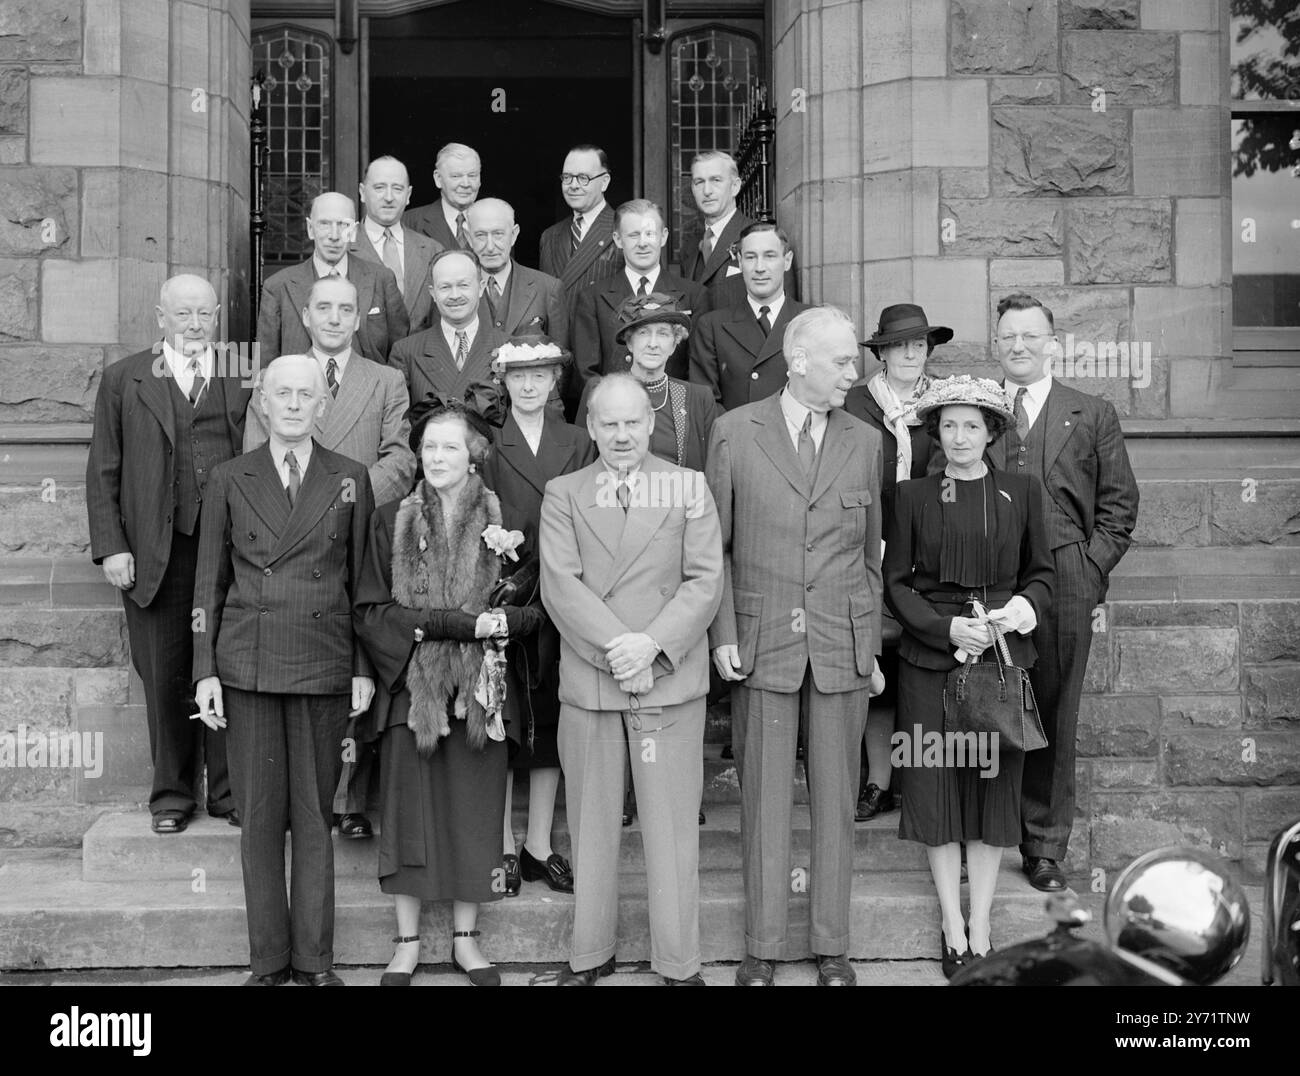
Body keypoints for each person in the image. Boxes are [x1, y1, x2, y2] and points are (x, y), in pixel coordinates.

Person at [707, 305, 884, 988]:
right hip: (761, 640)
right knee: (764, 798)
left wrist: (867, 647)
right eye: (844, 360)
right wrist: (724, 632)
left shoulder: (866, 441)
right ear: (800, 359)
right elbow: (714, 548)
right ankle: (762, 946)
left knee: (836, 800)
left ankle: (832, 945)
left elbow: (870, 557)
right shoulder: (734, 432)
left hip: (841, 640)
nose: (856, 372)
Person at [191, 354, 375, 987]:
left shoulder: (351, 478)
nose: (294, 404)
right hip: (249, 667)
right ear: (262, 403)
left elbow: (361, 585)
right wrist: (203, 670)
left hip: (323, 666)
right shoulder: (228, 476)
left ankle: (315, 963)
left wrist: (360, 666)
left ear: (323, 405)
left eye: (307, 394)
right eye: (282, 393)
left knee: (315, 820)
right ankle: (268, 962)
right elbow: (206, 585)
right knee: (261, 822)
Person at [354, 391, 545, 987]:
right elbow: (370, 610)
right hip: (412, 686)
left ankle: (466, 940)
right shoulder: (389, 519)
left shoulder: (507, 520)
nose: (436, 457)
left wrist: (501, 623)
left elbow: (537, 608)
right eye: (428, 446)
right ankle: (406, 943)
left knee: (474, 809)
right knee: (409, 810)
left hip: (483, 689)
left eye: (449, 447)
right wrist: (448, 626)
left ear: (474, 455)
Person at [539, 374, 724, 986]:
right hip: (594, 680)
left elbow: (704, 580)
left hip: (666, 678)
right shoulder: (563, 493)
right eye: (608, 423)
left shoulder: (688, 485)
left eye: (632, 422)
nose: (621, 435)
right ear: (591, 427)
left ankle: (679, 963)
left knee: (671, 830)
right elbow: (560, 586)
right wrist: (620, 649)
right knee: (591, 826)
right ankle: (590, 955)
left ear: (651, 424)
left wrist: (653, 646)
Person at [883, 375, 1054, 978]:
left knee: (989, 787)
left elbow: (1042, 574)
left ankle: (982, 923)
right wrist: (944, 629)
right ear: (936, 434)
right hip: (931, 664)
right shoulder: (911, 496)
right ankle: (951, 926)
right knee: (934, 788)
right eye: (949, 426)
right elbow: (896, 583)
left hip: (1001, 662)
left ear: (992, 434)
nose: (959, 437)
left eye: (972, 426)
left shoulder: (1021, 492)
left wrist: (1016, 613)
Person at [244, 275, 415, 839]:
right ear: (307, 315)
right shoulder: (278, 380)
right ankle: (303, 802)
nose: (336, 318)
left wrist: (349, 496)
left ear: (361, 317)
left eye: (347, 309)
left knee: (360, 652)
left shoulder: (387, 379)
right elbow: (254, 458)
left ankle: (354, 801)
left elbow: (399, 455)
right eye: (325, 308)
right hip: (289, 541)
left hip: (363, 530)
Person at [86, 274, 251, 835]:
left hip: (226, 549)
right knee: (164, 671)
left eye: (204, 314)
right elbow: (104, 468)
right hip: (155, 550)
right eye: (182, 314)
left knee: (227, 664)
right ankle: (172, 795)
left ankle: (229, 793)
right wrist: (112, 546)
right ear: (161, 316)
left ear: (217, 317)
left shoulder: (240, 372)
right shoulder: (122, 378)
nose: (194, 324)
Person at [990, 293, 1138, 892]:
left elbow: (1119, 507)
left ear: (1052, 343)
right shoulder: (979, 411)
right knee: (991, 706)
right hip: (994, 583)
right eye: (1007, 337)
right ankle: (987, 831)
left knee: (1054, 712)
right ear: (996, 345)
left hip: (1069, 580)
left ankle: (1045, 846)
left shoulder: (1092, 412)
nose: (1018, 346)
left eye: (1029, 336)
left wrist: (1090, 570)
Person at [482, 337, 597, 897]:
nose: (529, 385)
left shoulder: (577, 440)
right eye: (518, 375)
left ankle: (539, 843)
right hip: (501, 590)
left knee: (549, 712)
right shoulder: (486, 441)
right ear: (503, 380)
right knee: (503, 712)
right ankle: (503, 840)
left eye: (541, 375)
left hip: (559, 588)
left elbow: (592, 505)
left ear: (555, 381)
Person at [843, 303, 948, 822]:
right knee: (876, 660)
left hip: (934, 555)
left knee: (927, 664)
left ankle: (922, 785)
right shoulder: (856, 403)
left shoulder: (948, 402)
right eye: (901, 344)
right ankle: (878, 780)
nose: (912, 352)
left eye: (920, 344)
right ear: (881, 351)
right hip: (872, 548)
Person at [572, 199, 708, 393]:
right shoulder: (592, 298)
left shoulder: (695, 296)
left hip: (673, 411)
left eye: (650, 234)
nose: (642, 243)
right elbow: (586, 372)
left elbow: (698, 370)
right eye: (634, 235)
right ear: (618, 239)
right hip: (616, 410)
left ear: (663, 236)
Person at [256, 192, 408, 365]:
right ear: (310, 229)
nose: (334, 235)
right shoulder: (277, 287)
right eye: (324, 224)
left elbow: (400, 354)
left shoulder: (381, 279)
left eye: (343, 225)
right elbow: (264, 367)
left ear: (354, 231)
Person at [577, 294, 719, 473]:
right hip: (612, 497)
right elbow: (582, 463)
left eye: (663, 334)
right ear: (629, 342)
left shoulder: (699, 398)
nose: (653, 344)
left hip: (677, 498)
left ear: (674, 344)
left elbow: (711, 469)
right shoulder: (600, 391)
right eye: (644, 333)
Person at [689, 222, 809, 410]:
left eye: (769, 256)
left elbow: (825, 392)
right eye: (750, 257)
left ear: (787, 261)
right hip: (737, 437)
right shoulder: (712, 327)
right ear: (739, 261)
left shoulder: (812, 321)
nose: (759, 267)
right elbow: (706, 404)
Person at [467, 197, 570, 414]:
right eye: (480, 235)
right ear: (468, 236)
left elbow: (561, 368)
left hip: (538, 413)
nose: (490, 245)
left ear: (513, 234)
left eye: (498, 234)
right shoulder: (458, 291)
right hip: (477, 415)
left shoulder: (547, 288)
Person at [390, 249, 506, 408]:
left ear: (481, 287)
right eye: (445, 287)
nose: (455, 295)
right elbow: (399, 425)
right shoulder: (406, 352)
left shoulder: (508, 347)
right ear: (433, 293)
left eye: (463, 285)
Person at [351, 155, 444, 332]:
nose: (388, 197)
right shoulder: (344, 248)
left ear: (408, 195)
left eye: (397, 189)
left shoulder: (433, 250)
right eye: (379, 187)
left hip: (419, 358)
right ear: (362, 192)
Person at [538, 144, 621, 303]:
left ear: (604, 182)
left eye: (583, 178)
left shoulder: (624, 231)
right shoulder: (549, 236)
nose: (573, 185)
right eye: (567, 177)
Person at [402, 143, 481, 250]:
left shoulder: (496, 220)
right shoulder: (409, 222)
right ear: (438, 179)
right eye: (456, 176)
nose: (466, 184)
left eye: (472, 175)